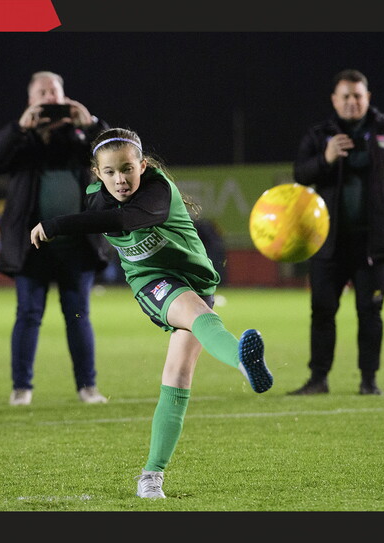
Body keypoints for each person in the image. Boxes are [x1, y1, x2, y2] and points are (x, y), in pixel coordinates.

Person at [30, 128, 273, 499]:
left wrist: (57, 225)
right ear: (97, 174)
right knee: (197, 317)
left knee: (177, 377)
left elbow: (127, 222)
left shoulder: (158, 191)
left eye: (127, 168)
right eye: (109, 172)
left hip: (196, 280)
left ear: (143, 165)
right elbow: (97, 221)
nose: (120, 179)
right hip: (152, 282)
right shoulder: (97, 199)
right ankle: (242, 362)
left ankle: (150, 476)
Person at [0, 71, 112, 406]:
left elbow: (116, 153)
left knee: (79, 315)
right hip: (31, 248)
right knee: (27, 314)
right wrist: (19, 128)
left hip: (76, 246)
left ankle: (88, 387)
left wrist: (93, 123)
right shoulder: (22, 141)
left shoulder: (82, 138)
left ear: (65, 97)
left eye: (54, 91)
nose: (49, 98)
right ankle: (21, 389)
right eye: (42, 92)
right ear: (31, 100)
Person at [288, 69, 384, 397]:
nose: (351, 102)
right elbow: (300, 174)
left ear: (368, 98)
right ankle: (318, 379)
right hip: (328, 242)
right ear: (334, 100)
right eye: (345, 96)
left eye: (357, 96)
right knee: (322, 310)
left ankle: (369, 381)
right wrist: (326, 158)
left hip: (372, 244)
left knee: (370, 312)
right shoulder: (320, 135)